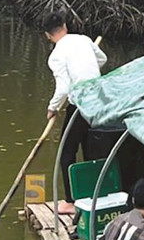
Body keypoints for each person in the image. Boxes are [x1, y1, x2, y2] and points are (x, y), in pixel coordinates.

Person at [44, 15, 110, 185]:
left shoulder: (56, 55)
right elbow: (102, 59)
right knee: (92, 151)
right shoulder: (84, 40)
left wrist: (53, 108)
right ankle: (95, 192)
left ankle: (70, 201)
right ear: (65, 26)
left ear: (47, 35)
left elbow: (64, 88)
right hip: (99, 103)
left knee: (66, 152)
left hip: (80, 106)